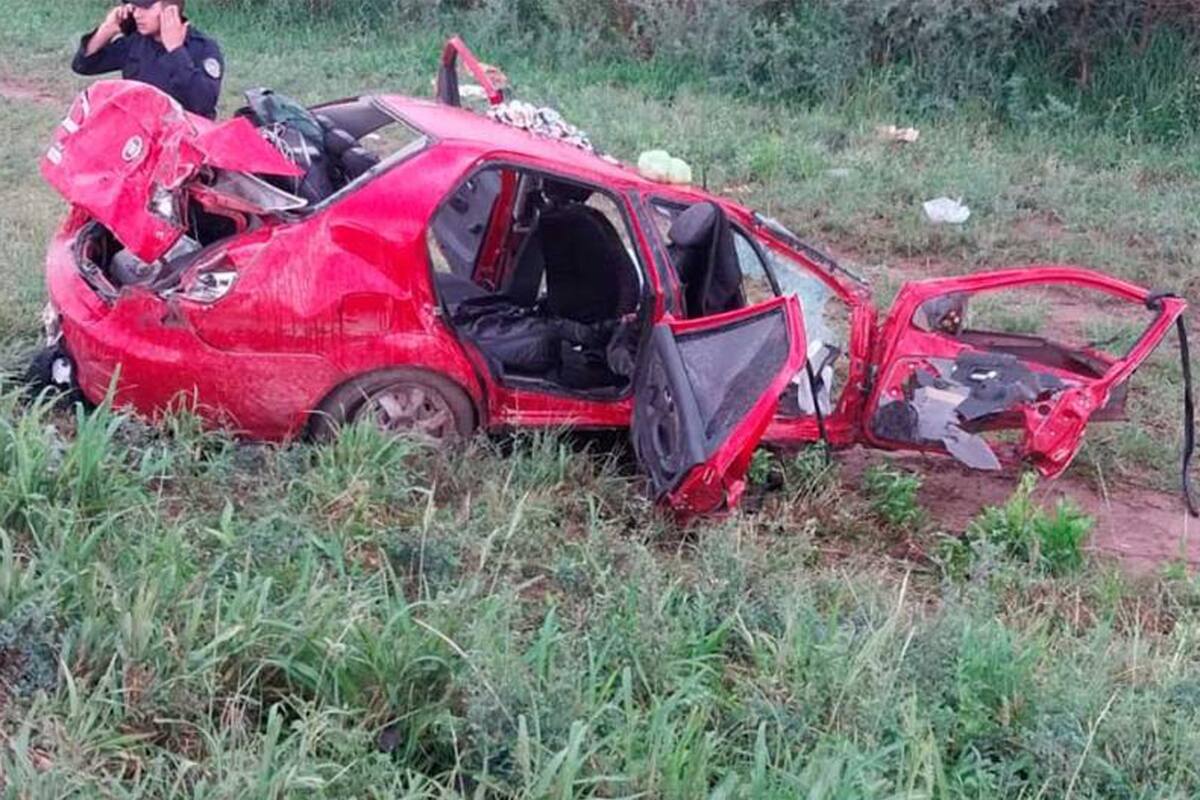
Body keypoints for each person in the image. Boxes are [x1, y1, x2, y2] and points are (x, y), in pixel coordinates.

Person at [72, 0, 223, 119]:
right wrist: (107, 29)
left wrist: (176, 51)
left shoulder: (203, 48)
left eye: (145, 7)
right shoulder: (136, 41)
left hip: (183, 137)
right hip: (140, 132)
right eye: (135, 6)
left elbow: (203, 104)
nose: (137, 14)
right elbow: (83, 65)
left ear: (171, 9)